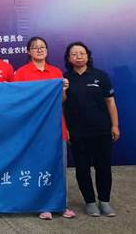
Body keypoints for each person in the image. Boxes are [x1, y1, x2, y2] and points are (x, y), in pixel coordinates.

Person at [13, 37, 76, 220]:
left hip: (56, 126)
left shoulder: (56, 72)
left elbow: (62, 101)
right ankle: (42, 204)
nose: (39, 50)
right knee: (37, 166)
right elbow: (18, 100)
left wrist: (63, 90)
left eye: (42, 47)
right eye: (35, 47)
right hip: (33, 128)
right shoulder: (21, 73)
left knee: (59, 166)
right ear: (28, 51)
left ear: (47, 50)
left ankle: (61, 204)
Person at [63, 42, 120, 217]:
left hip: (102, 130)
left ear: (88, 56)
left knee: (103, 167)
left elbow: (110, 102)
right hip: (78, 132)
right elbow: (62, 105)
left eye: (82, 53)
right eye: (74, 54)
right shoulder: (65, 78)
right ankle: (90, 202)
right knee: (82, 168)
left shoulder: (100, 76)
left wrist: (115, 125)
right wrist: (66, 129)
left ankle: (104, 201)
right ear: (69, 58)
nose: (78, 56)